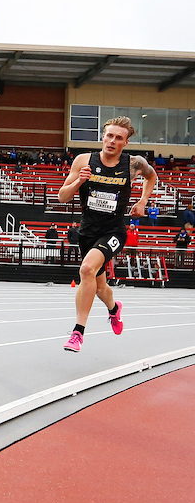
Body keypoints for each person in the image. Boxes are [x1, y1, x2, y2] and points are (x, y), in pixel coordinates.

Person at [57, 116, 156, 352]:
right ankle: (114, 308)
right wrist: (79, 182)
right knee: (100, 287)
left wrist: (143, 201)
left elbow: (152, 176)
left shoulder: (134, 164)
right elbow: (62, 197)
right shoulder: (84, 160)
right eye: (109, 135)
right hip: (87, 232)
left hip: (113, 231)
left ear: (126, 142)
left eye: (118, 138)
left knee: (86, 269)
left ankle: (78, 332)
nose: (112, 141)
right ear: (103, 136)